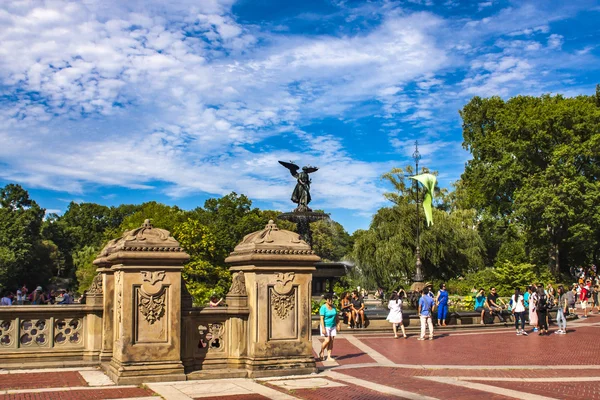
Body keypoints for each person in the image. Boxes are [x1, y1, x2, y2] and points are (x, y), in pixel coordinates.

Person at [318, 293, 340, 361]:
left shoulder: (333, 307)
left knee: (331, 341)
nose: (331, 301)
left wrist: (338, 324)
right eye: (329, 299)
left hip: (332, 326)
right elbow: (321, 318)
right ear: (326, 300)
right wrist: (323, 328)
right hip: (326, 326)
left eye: (331, 299)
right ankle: (321, 351)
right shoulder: (323, 307)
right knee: (327, 340)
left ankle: (329, 356)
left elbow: (336, 316)